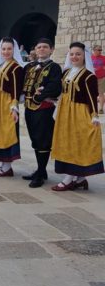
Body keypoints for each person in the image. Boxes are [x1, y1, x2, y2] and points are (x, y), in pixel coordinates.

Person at [51, 42, 104, 191]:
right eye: (72, 54)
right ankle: (80, 179)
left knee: (76, 143)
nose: (74, 57)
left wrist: (94, 115)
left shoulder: (88, 76)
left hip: (79, 113)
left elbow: (91, 97)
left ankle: (69, 179)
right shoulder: (66, 72)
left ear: (84, 56)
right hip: (65, 112)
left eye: (78, 54)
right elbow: (61, 91)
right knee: (66, 141)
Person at [21, 38, 62, 188]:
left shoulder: (54, 67)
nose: (42, 49)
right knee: (35, 140)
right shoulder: (29, 66)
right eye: (39, 47)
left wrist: (39, 96)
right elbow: (21, 83)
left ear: (51, 49)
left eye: (45, 47)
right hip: (29, 108)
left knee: (43, 140)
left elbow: (55, 87)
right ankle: (41, 170)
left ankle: (40, 174)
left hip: (44, 109)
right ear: (35, 50)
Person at [0, 37, 25, 177]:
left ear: (14, 50)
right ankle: (4, 165)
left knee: (7, 132)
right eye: (3, 49)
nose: (6, 51)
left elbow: (16, 89)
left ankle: (7, 166)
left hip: (6, 104)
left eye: (9, 49)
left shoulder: (16, 68)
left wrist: (14, 108)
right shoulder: (1, 65)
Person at [91, 44, 105, 114]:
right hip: (92, 78)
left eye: (101, 50)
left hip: (101, 78)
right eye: (99, 50)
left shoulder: (103, 58)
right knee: (92, 93)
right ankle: (93, 107)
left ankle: (101, 108)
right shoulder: (90, 58)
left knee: (101, 93)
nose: (100, 51)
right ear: (94, 50)